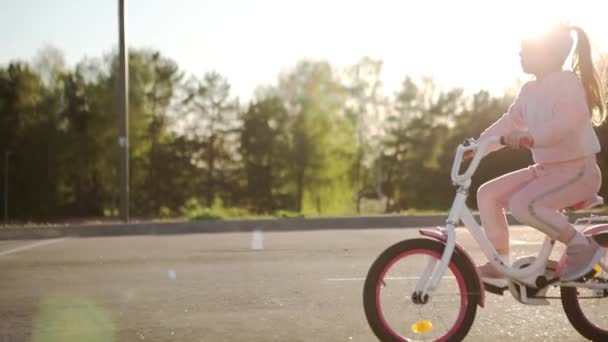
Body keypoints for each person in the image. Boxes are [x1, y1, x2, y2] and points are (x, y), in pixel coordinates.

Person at [474, 24, 606, 287]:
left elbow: (567, 123)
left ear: (548, 55)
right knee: (487, 194)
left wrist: (533, 137)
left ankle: (582, 247)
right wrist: (478, 146)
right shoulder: (530, 91)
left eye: (526, 50)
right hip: (546, 170)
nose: (520, 54)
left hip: (577, 171)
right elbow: (509, 122)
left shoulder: (569, 85)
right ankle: (500, 263)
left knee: (524, 204)